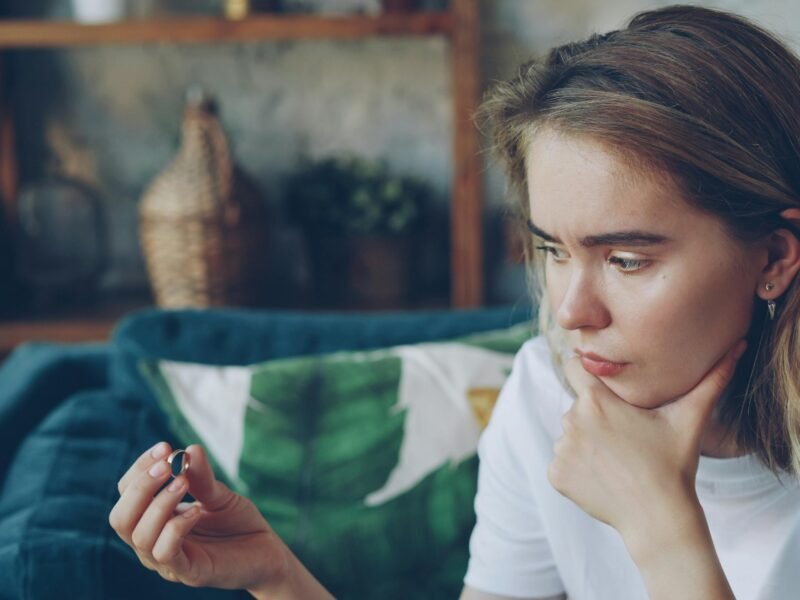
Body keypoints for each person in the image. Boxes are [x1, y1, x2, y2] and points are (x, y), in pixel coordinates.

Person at [109, 5, 800, 599]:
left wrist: (661, 525)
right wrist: (275, 574)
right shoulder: (545, 396)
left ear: (772, 258)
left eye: (626, 259)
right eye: (554, 252)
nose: (571, 313)